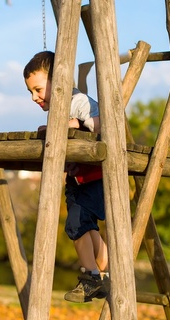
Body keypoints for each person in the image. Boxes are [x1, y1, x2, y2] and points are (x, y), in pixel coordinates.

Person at [23, 50, 110, 303]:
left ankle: (92, 277)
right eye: (31, 92)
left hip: (95, 177)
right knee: (85, 226)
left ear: (57, 80)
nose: (34, 97)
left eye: (38, 89)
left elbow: (104, 123)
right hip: (78, 178)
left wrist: (76, 125)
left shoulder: (78, 101)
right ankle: (101, 270)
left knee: (76, 226)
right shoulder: (59, 109)